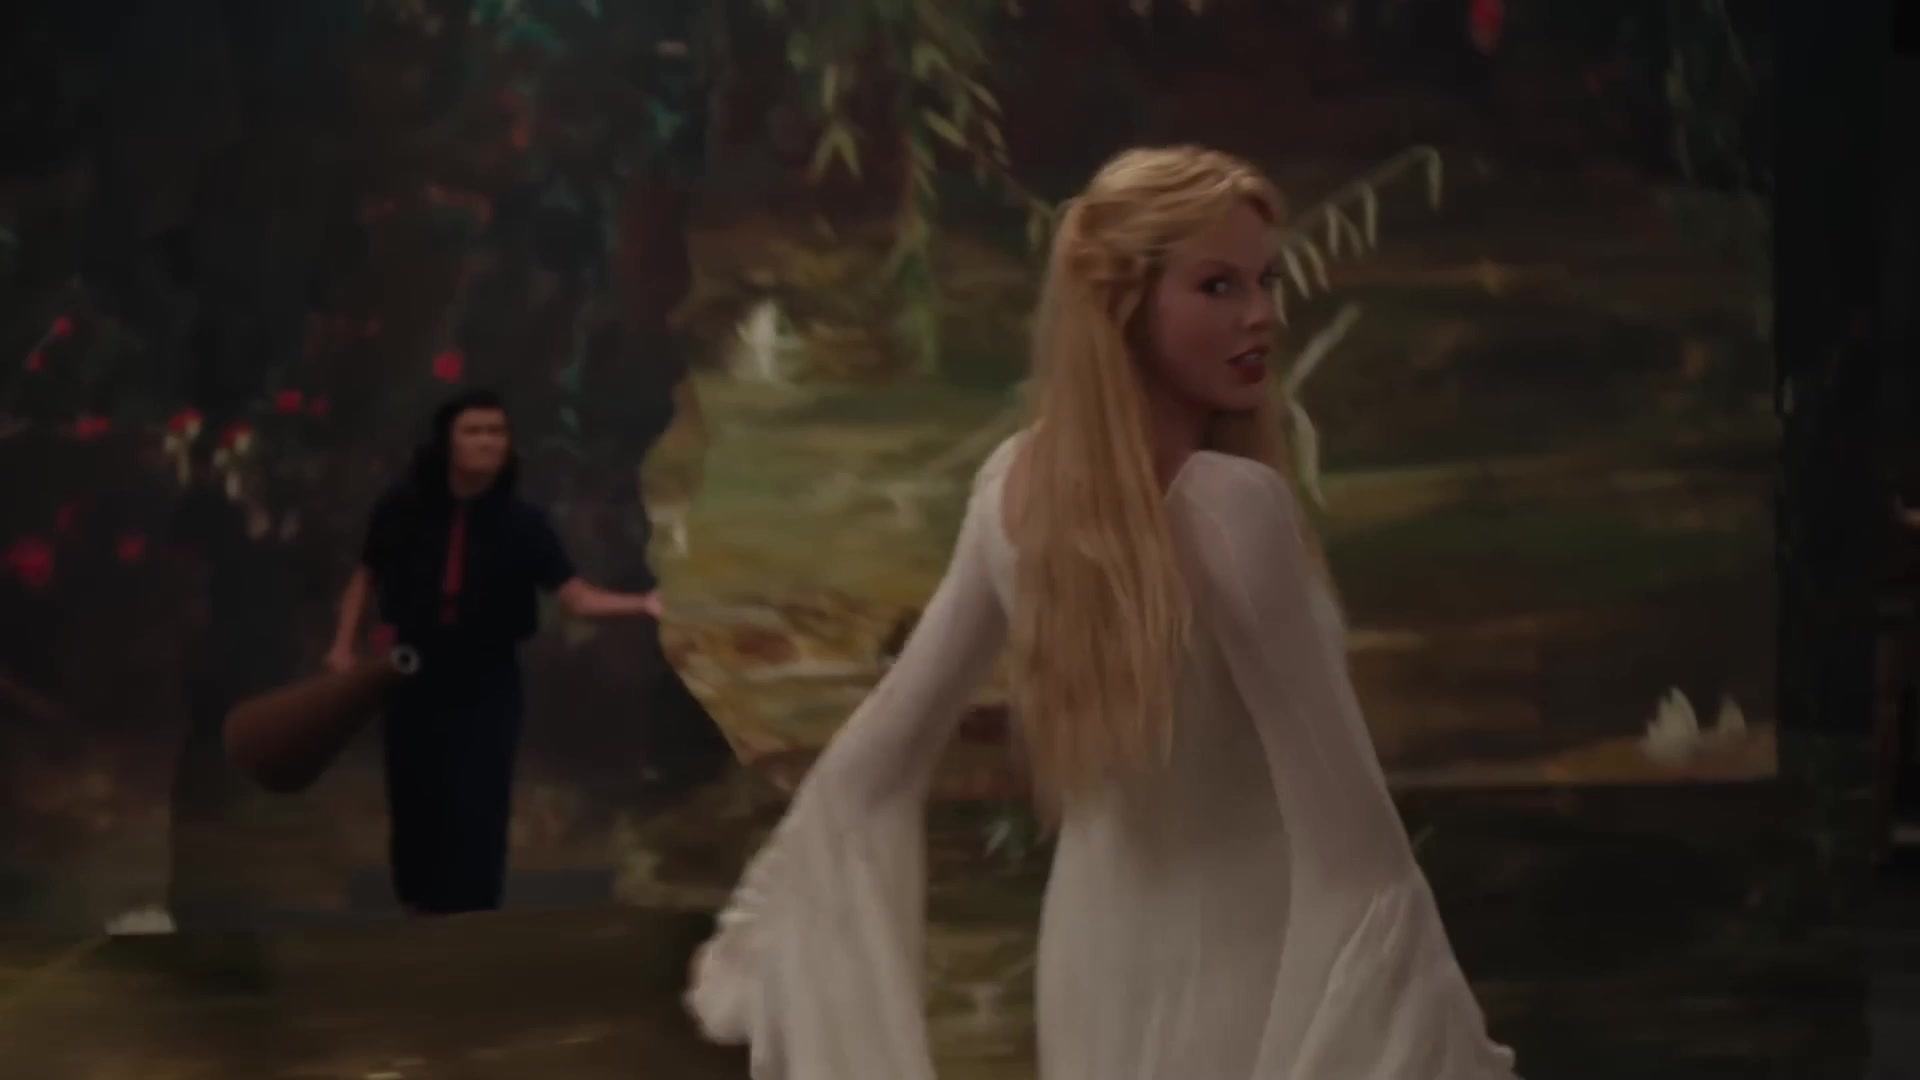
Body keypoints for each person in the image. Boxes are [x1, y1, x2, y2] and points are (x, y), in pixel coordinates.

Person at [683, 147, 1520, 1078]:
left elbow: (867, 769)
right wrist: (1447, 1046)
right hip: (1247, 959)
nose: (1262, 315)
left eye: (1267, 281)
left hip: (1089, 962)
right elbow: (1353, 846)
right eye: (1218, 285)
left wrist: (765, 936)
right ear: (1123, 304)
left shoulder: (1012, 484)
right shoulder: (1230, 509)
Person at [326, 389, 663, 916]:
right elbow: (366, 576)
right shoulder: (401, 508)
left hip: (488, 674)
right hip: (411, 668)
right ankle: (418, 901)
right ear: (447, 441)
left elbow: (574, 596)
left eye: (497, 432)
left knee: (482, 791)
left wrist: (642, 603)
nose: (487, 442)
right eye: (474, 431)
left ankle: (473, 909)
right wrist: (342, 646)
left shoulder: (525, 523)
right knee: (414, 787)